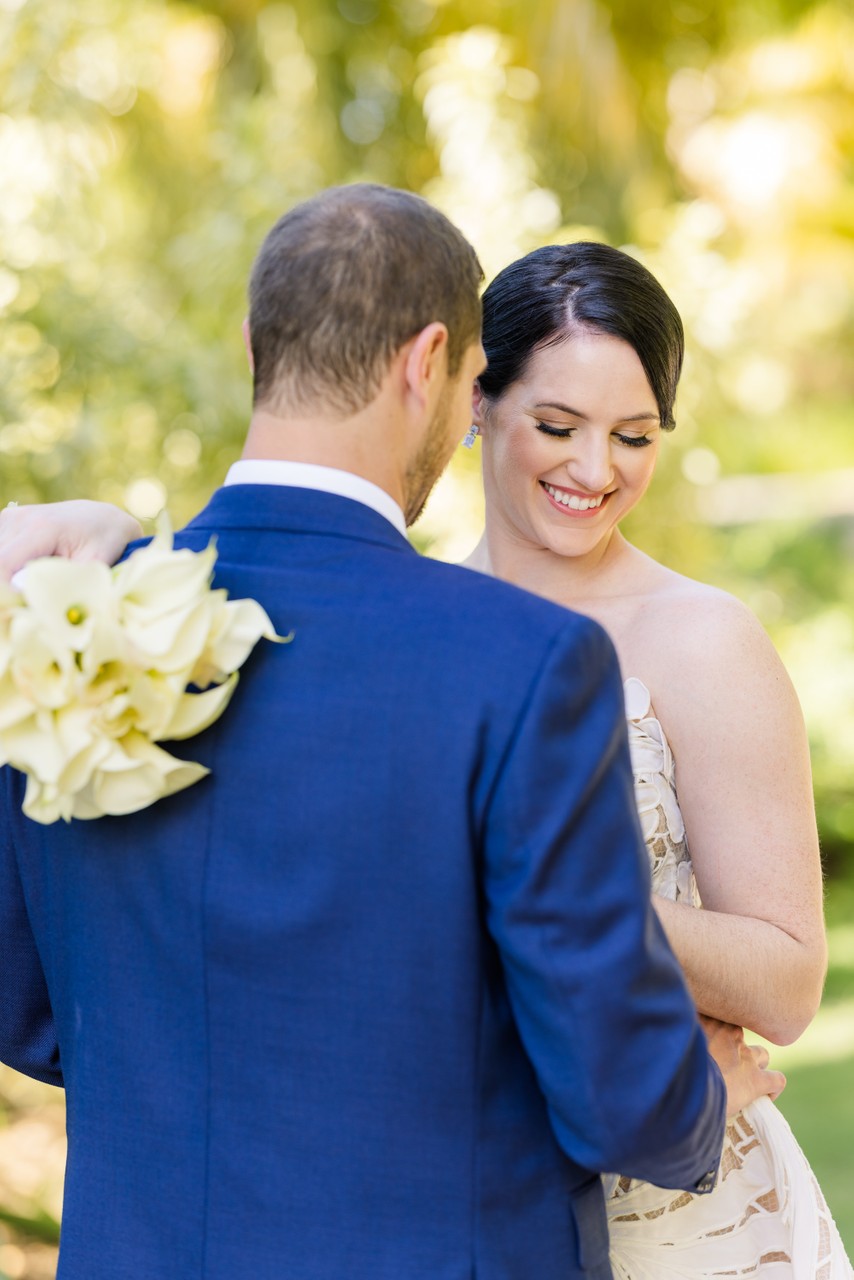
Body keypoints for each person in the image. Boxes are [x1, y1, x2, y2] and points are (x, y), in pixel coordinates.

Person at [0, 185, 780, 1280]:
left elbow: (29, 1007)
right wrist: (703, 1095)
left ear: (252, 345)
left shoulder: (70, 617)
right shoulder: (520, 661)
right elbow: (616, 1096)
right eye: (475, 386)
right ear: (429, 364)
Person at [463, 242, 850, 1278]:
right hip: (481, 1198)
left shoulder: (702, 639)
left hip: (691, 1218)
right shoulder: (418, 623)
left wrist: (578, 902)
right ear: (472, 397)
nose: (594, 471)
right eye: (556, 426)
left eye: (632, 436)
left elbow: (786, 981)